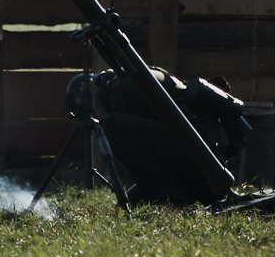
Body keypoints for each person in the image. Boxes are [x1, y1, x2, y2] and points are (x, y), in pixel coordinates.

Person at [66, 68, 250, 206]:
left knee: (113, 126)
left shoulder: (122, 92)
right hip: (204, 167)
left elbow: (132, 146)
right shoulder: (127, 80)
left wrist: (101, 112)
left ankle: (169, 201)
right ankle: (168, 197)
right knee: (133, 203)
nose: (95, 119)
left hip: (202, 168)